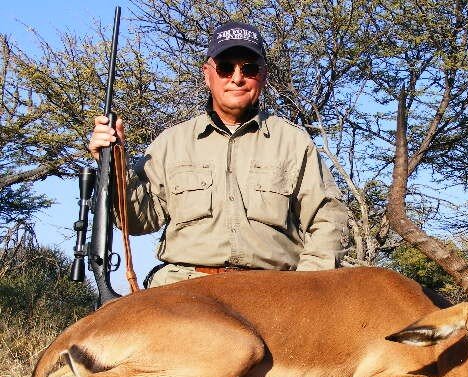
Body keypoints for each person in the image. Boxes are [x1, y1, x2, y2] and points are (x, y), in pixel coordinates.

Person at [88, 21, 349, 287]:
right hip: (184, 286)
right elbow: (138, 221)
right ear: (207, 74)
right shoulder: (171, 142)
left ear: (263, 76)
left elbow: (328, 219)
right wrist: (115, 165)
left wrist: (306, 287)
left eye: (249, 68)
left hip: (272, 290)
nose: (237, 78)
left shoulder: (294, 142)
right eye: (225, 68)